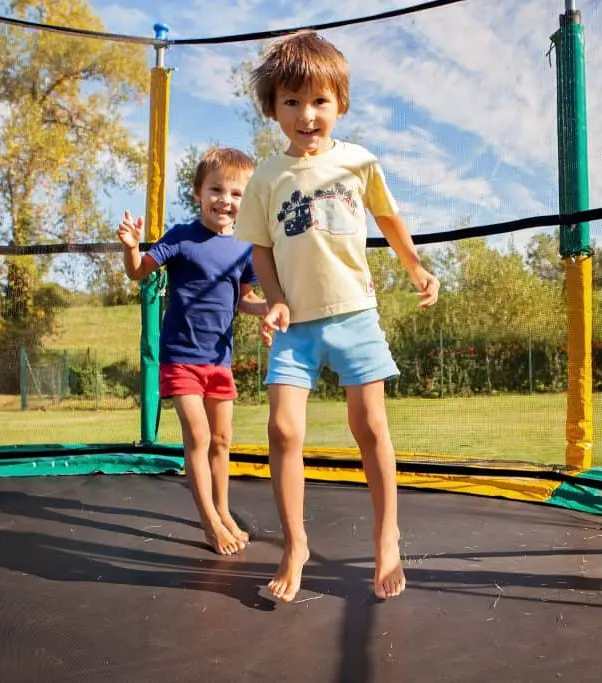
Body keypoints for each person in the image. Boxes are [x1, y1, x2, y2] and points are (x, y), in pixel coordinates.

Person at [234, 30, 441, 602]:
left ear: (340, 104)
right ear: (274, 109)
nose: (307, 114)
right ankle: (295, 543)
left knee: (370, 426)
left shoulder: (359, 161)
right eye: (292, 102)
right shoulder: (267, 177)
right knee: (282, 429)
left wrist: (417, 269)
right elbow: (261, 250)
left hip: (354, 315)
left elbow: (390, 219)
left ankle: (387, 536)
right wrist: (273, 299)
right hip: (295, 325)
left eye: (319, 101)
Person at [118, 147, 268, 556]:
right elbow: (138, 272)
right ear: (198, 193)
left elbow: (245, 299)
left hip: (220, 360)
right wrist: (132, 246)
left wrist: (270, 310)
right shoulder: (180, 237)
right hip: (181, 357)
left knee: (222, 439)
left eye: (237, 194)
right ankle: (208, 523)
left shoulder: (244, 248)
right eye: (216, 190)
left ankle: (222, 510)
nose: (226, 200)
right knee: (198, 436)